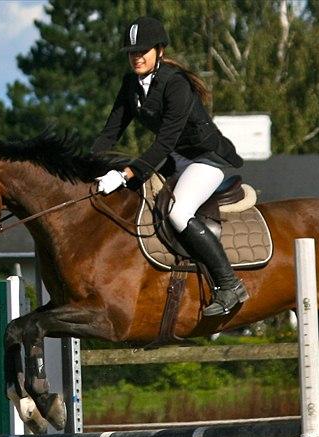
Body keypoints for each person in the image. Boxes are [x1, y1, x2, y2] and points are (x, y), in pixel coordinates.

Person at [92, 15, 249, 317]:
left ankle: (229, 284)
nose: (136, 57)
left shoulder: (175, 85)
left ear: (159, 51)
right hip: (177, 158)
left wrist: (126, 173)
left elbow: (163, 142)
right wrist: (85, 167)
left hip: (206, 158)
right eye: (132, 52)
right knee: (136, 200)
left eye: (143, 51)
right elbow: (110, 132)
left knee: (178, 212)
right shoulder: (131, 85)